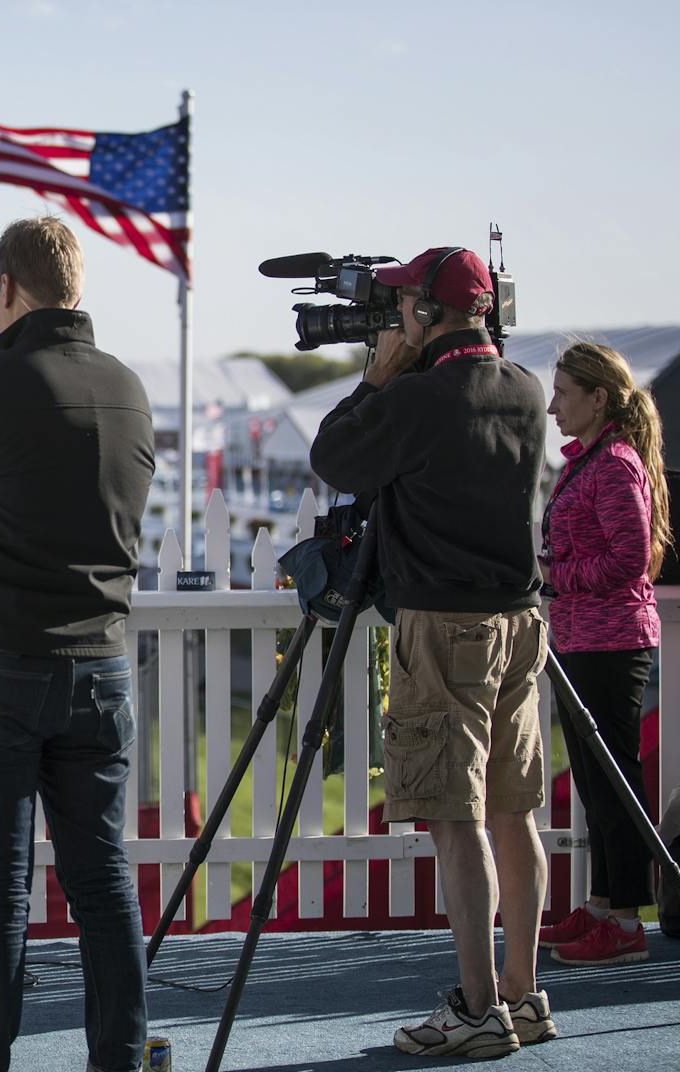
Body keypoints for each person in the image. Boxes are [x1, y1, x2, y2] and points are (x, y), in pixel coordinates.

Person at [0, 217, 155, 1072]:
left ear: (6, 290)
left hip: (1, 664)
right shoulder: (128, 385)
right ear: (77, 288)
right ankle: (119, 1059)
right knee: (104, 885)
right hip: (103, 666)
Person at [310, 246, 554, 1057]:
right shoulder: (525, 389)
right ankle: (522, 995)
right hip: (520, 621)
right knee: (517, 814)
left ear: (420, 312)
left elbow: (335, 458)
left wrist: (379, 375)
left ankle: (477, 1011)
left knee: (458, 822)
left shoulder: (415, 399)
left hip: (442, 626)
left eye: (401, 308)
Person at [537, 341, 669, 966]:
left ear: (598, 398)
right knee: (595, 782)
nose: (553, 405)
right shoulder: (587, 462)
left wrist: (561, 576)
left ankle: (626, 920)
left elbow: (630, 557)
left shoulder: (613, 464)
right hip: (581, 637)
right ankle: (601, 904)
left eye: (563, 393)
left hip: (611, 640)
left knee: (617, 782)